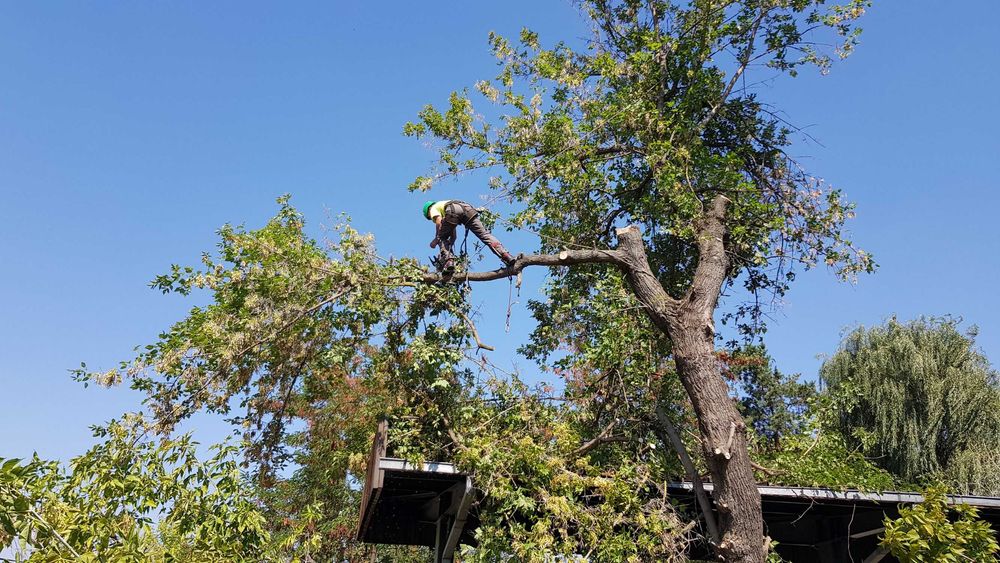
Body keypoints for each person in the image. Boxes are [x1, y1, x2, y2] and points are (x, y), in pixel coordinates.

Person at [423, 200, 515, 272]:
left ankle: (449, 263)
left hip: (452, 210)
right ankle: (506, 255)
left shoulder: (433, 208)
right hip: (467, 209)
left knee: (441, 237)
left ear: (428, 211)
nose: (432, 219)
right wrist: (449, 246)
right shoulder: (443, 205)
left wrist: (436, 239)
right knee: (485, 235)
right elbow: (453, 236)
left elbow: (438, 221)